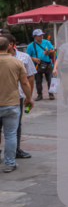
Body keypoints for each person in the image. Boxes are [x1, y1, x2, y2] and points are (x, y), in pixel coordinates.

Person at [0, 36, 33, 173]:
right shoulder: (17, 62)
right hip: (12, 103)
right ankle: (9, 163)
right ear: (9, 46)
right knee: (10, 135)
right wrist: (29, 98)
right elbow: (25, 82)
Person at [26, 29, 55, 101]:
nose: (41, 36)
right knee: (38, 81)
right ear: (35, 36)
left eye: (41, 35)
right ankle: (39, 94)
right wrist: (34, 59)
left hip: (48, 64)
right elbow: (27, 56)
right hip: (37, 65)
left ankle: (51, 94)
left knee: (50, 80)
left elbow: (53, 50)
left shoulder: (47, 42)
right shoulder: (30, 46)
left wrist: (49, 52)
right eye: (39, 36)